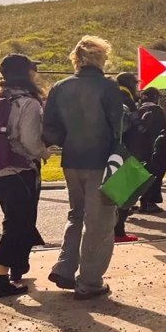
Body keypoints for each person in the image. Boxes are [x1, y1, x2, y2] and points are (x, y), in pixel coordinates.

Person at [43, 36, 125, 300]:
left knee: (76, 214)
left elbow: (50, 128)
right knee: (100, 222)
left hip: (71, 160)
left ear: (76, 59)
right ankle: (89, 282)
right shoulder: (109, 87)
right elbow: (120, 128)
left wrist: (68, 140)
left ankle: (65, 267)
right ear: (102, 58)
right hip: (102, 161)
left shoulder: (60, 86)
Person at [0, 55, 50, 298]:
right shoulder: (28, 103)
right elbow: (30, 141)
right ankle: (0, 277)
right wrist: (45, 152)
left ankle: (17, 270)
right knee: (18, 224)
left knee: (14, 220)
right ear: (26, 73)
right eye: (32, 69)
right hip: (20, 170)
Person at [129, 87, 166, 214]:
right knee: (154, 176)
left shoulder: (137, 110)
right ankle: (149, 202)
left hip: (138, 149)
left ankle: (137, 201)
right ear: (155, 98)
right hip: (154, 148)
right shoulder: (158, 111)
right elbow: (164, 130)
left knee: (140, 176)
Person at [113, 72, 139, 243]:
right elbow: (131, 128)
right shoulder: (127, 100)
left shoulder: (112, 96)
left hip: (109, 150)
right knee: (123, 194)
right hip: (125, 151)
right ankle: (119, 231)